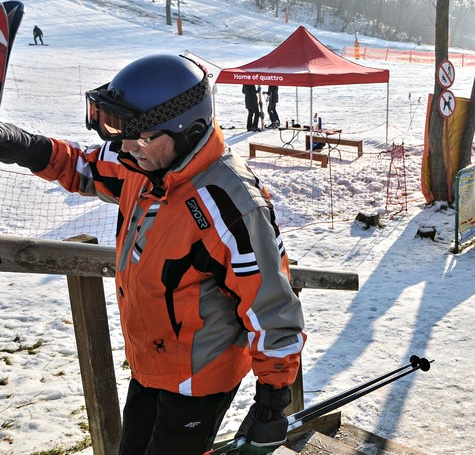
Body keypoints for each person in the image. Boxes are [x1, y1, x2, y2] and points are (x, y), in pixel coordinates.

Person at [0, 54, 306, 454]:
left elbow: (271, 307)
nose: (124, 147)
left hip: (199, 380)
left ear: (187, 130)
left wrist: (271, 403)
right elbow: (83, 168)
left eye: (139, 137)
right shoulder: (141, 162)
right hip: (150, 362)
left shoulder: (229, 204)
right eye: (119, 133)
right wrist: (22, 145)